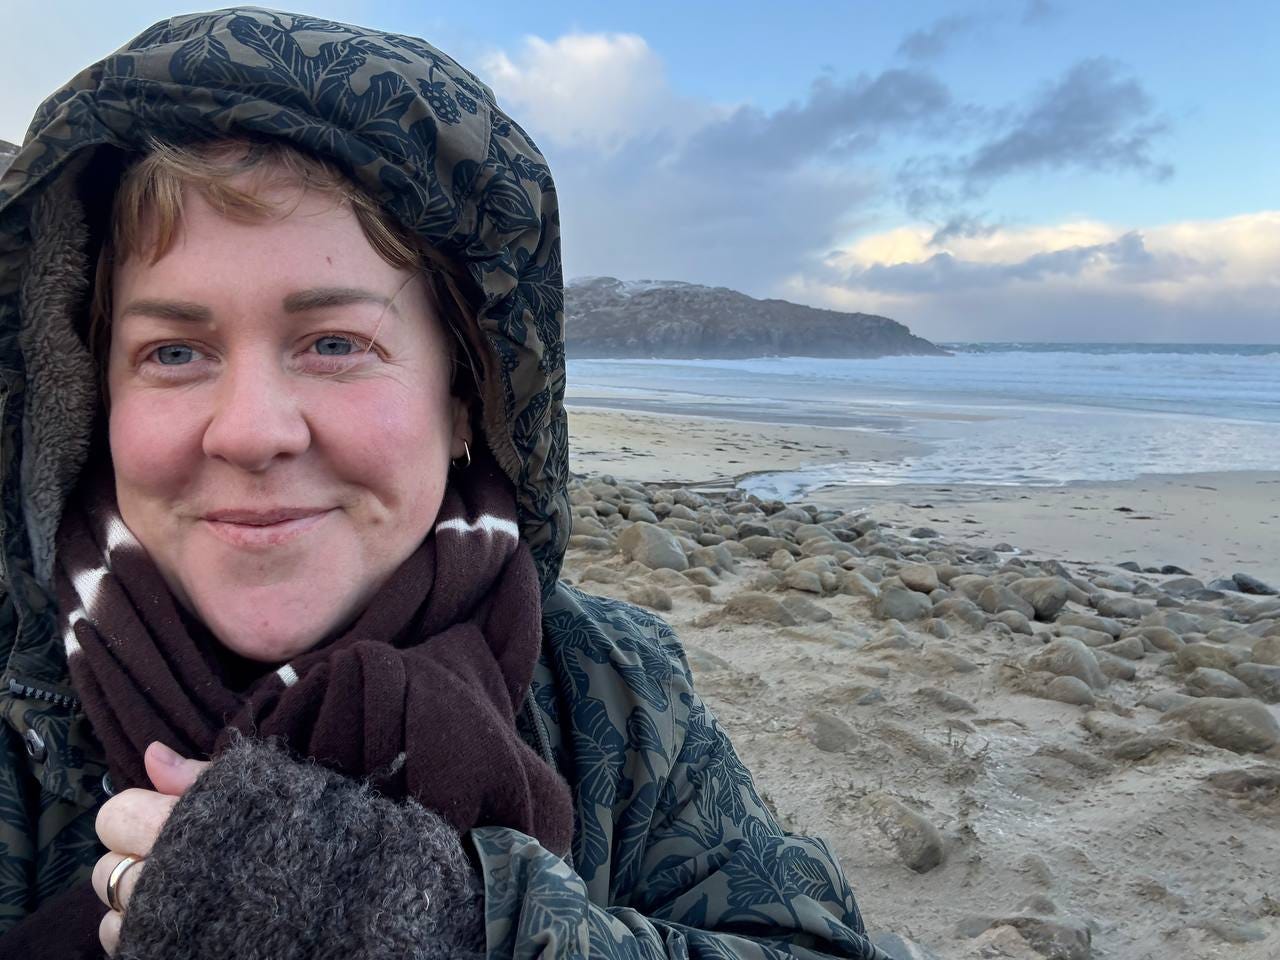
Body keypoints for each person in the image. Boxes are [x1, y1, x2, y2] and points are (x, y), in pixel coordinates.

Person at [0, 9, 886, 959]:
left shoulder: (612, 692)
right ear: (87, 398)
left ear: (466, 399)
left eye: (334, 344)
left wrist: (459, 930)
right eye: (174, 351)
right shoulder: (19, 699)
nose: (251, 431)